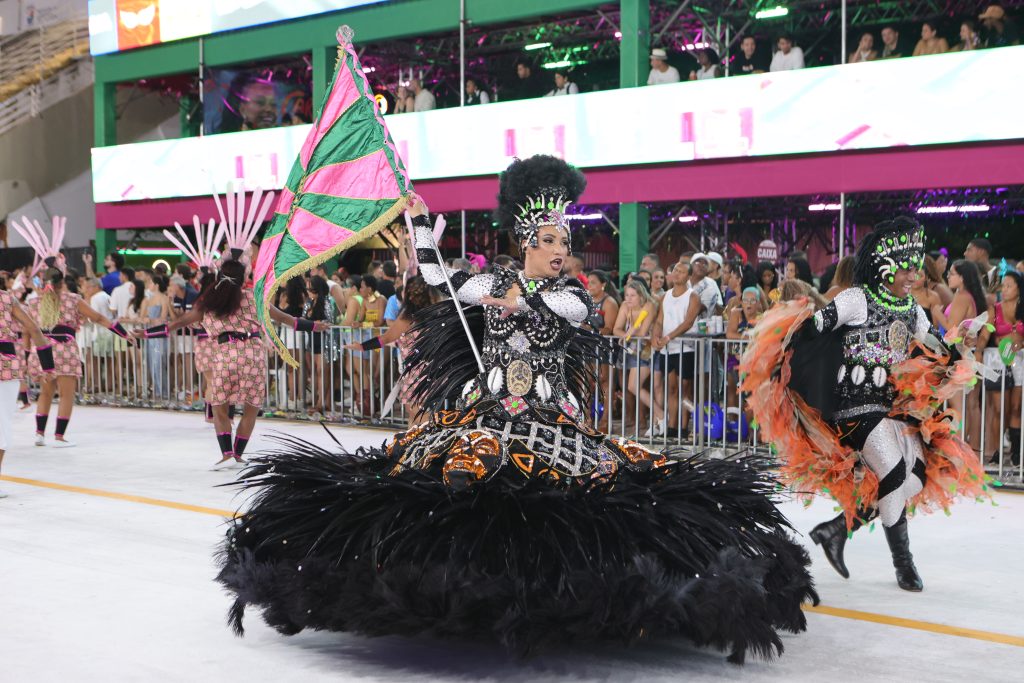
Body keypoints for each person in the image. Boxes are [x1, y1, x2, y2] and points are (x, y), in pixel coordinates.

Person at [218, 155, 817, 661]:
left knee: (589, 495)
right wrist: (419, 222)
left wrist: (521, 304)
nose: (562, 251)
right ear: (527, 242)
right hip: (485, 416)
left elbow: (573, 313)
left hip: (550, 421)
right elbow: (440, 279)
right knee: (451, 479)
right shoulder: (491, 284)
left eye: (566, 242)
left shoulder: (569, 294)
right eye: (551, 241)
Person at [742, 217, 989, 593]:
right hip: (855, 408)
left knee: (913, 479)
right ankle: (904, 564)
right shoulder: (856, 299)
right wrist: (788, 356)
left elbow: (936, 348)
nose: (914, 276)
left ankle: (836, 530)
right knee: (893, 472)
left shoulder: (912, 310)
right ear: (886, 267)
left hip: (892, 409)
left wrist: (959, 347)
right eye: (907, 268)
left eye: (916, 268)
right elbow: (811, 330)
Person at [166, 258, 327, 469]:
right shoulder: (253, 298)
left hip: (226, 355)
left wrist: (147, 333)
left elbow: (179, 322)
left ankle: (227, 453)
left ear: (219, 277)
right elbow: (287, 319)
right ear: (243, 280)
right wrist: (314, 326)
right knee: (250, 409)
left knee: (219, 406)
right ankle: (238, 454)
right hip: (253, 355)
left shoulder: (211, 301)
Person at [27, 267, 132, 447]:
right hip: (65, 350)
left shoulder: (34, 302)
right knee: (66, 395)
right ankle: (59, 436)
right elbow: (98, 318)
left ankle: (39, 434)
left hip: (43, 350)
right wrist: (123, 334)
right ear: (62, 282)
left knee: (45, 393)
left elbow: (29, 329)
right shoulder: (73, 299)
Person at [346, 275, 437, 426]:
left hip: (420, 373)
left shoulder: (408, 319)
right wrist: (362, 346)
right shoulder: (434, 316)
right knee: (416, 416)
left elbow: (385, 338)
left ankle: (427, 437)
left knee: (417, 415)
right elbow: (387, 339)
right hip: (425, 372)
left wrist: (362, 346)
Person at [0, 285, 52, 498]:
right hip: (5, 366)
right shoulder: (6, 299)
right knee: (1, 423)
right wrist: (48, 366)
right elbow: (34, 329)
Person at [650, 262, 700, 438]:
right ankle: (672, 426)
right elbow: (659, 320)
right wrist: (655, 336)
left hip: (685, 347)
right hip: (668, 348)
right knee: (671, 388)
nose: (677, 274)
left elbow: (688, 322)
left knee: (684, 389)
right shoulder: (665, 296)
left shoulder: (693, 296)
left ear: (689, 276)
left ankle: (684, 426)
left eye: (682, 271)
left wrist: (668, 337)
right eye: (675, 270)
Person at [982, 271, 1023, 467]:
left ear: (1019, 289)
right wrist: (978, 351)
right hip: (998, 361)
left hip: (1020, 362)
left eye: (1009, 286)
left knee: (1016, 407)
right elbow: (985, 334)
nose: (1004, 290)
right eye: (1003, 285)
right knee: (1000, 409)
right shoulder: (995, 309)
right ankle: (997, 451)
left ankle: (1016, 453)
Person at [613, 279, 658, 433]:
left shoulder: (649, 305)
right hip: (631, 350)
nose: (629, 299)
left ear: (641, 296)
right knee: (632, 386)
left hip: (647, 350)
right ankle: (655, 419)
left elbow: (642, 332)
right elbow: (616, 329)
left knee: (638, 386)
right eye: (627, 295)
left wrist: (629, 333)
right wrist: (628, 333)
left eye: (633, 295)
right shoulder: (625, 306)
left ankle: (658, 416)